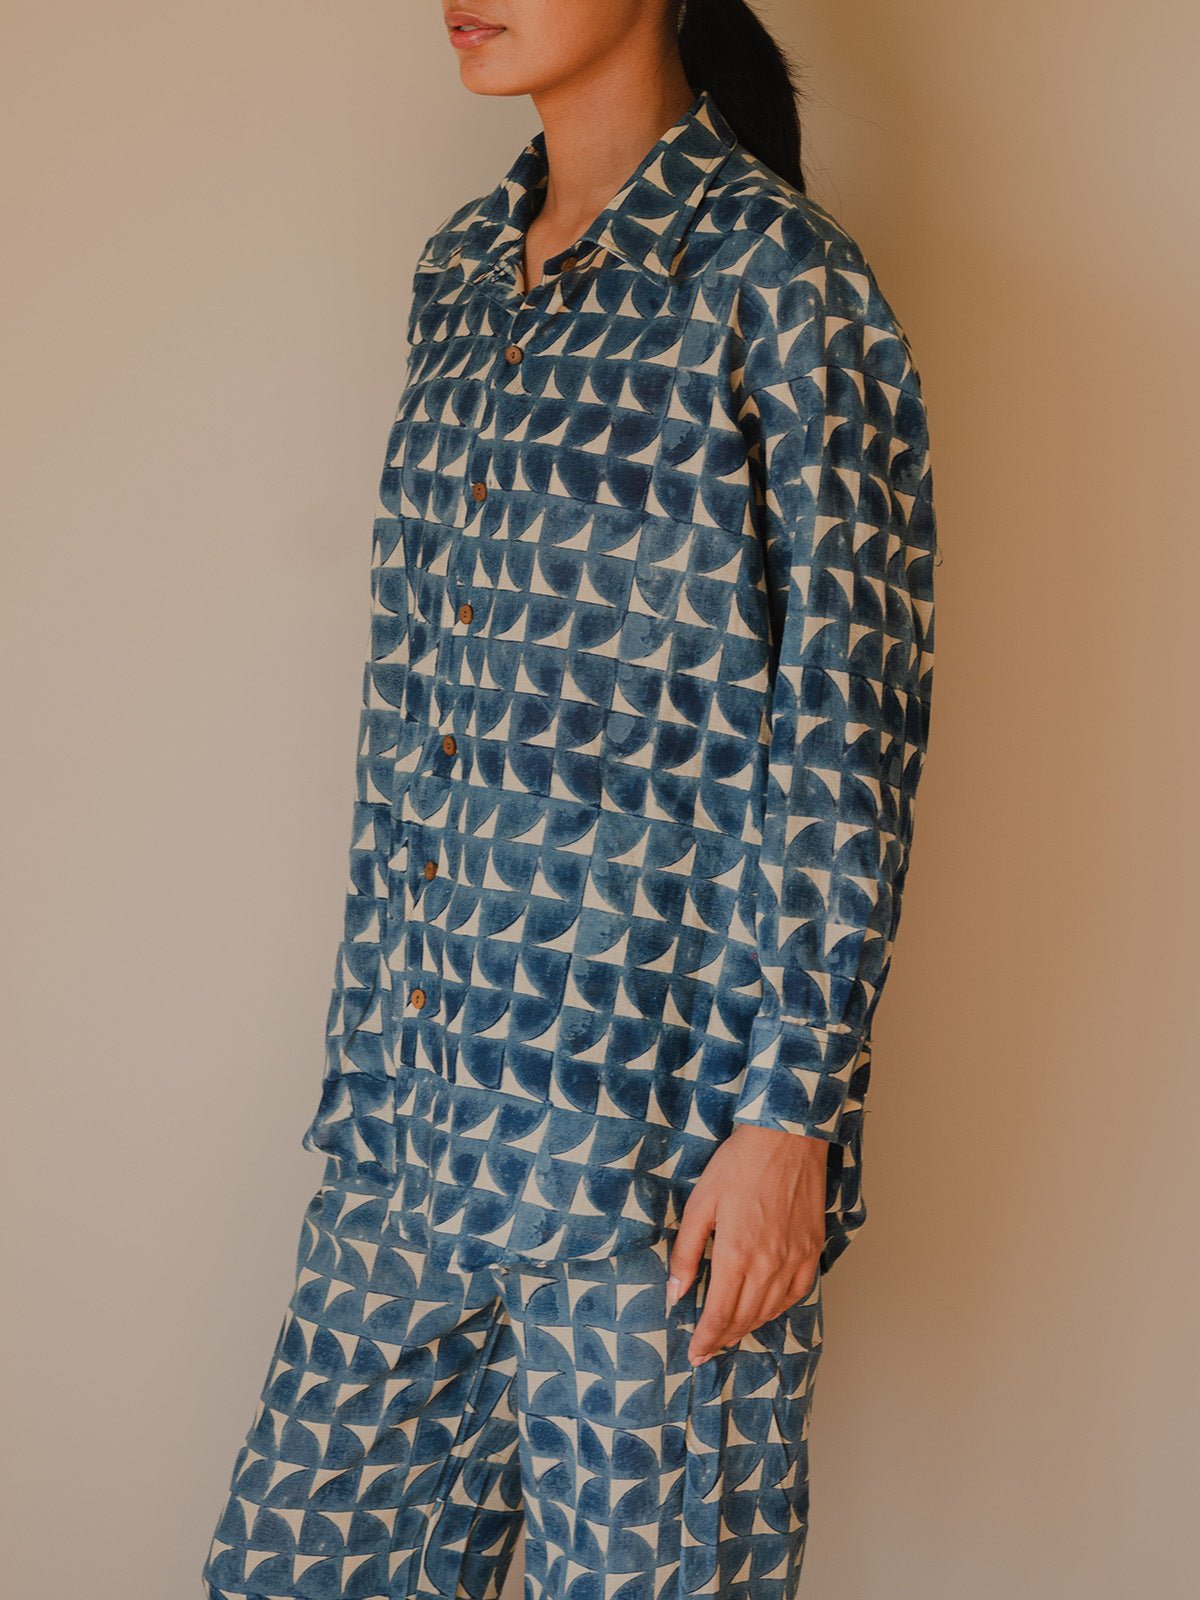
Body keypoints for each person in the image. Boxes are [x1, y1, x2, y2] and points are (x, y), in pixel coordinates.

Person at [201, 1, 938, 1595]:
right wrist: (378, 1078)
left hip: (656, 1161)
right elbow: (421, 711)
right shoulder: (459, 274)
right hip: (411, 1134)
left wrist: (789, 1121)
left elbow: (847, 731)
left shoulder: (783, 286)